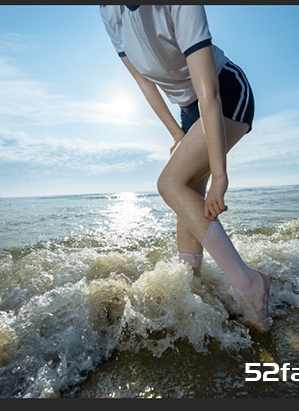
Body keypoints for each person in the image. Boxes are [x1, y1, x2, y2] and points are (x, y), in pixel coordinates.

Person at [100, 5, 270, 332]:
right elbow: (144, 83)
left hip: (224, 92)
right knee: (186, 194)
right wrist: (177, 134)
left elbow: (210, 93)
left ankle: (249, 283)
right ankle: (192, 288)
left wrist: (220, 175)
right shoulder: (109, 12)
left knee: (170, 184)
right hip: (188, 110)